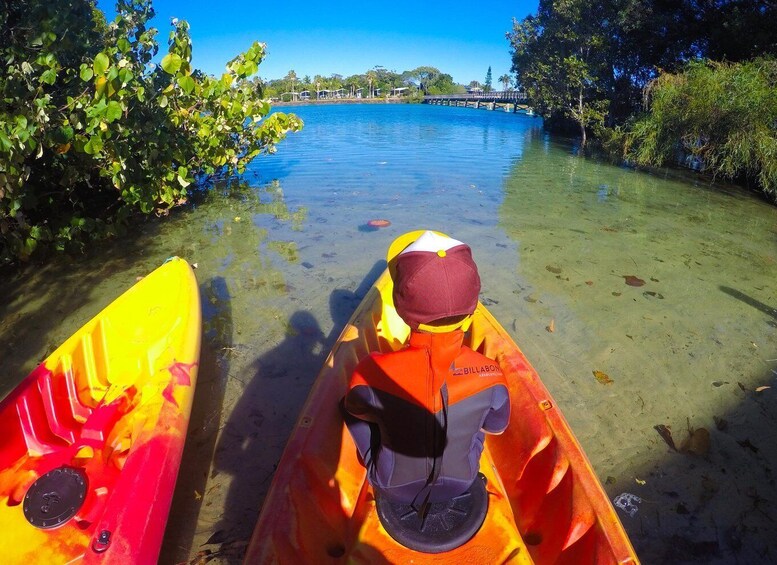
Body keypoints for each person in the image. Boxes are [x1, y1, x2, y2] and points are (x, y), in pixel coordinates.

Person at [342, 230, 510, 509]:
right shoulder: (491, 373)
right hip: (464, 481)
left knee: (347, 407)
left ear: (400, 308)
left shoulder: (371, 371)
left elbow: (357, 409)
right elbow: (497, 426)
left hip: (391, 485)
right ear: (472, 310)